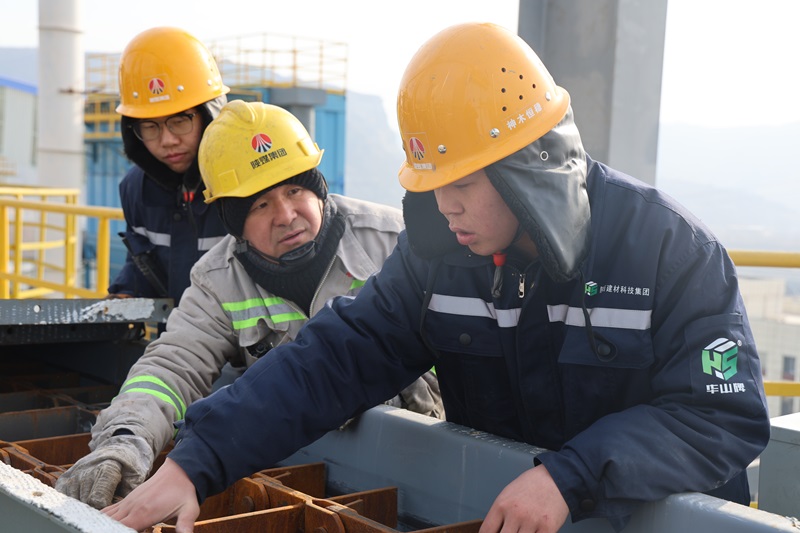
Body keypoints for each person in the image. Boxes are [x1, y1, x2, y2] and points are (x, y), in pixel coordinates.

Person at [101, 22, 770, 533]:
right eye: (432, 184)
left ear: (530, 168)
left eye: (463, 184)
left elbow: (721, 416)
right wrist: (199, 460)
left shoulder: (667, 252)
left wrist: (571, 475)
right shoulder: (440, 259)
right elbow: (337, 356)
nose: (445, 206)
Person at [55, 100, 444, 510]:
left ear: (317, 186)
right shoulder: (218, 280)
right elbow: (172, 366)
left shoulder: (394, 241)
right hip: (293, 465)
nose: (286, 215)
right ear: (233, 222)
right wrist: (124, 439)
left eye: (294, 190)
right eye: (260, 205)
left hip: (426, 465)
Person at [107, 27, 229, 305]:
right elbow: (143, 263)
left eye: (180, 121)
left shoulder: (246, 185)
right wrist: (125, 292)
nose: (167, 141)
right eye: (150, 127)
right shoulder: (136, 189)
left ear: (208, 115)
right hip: (174, 330)